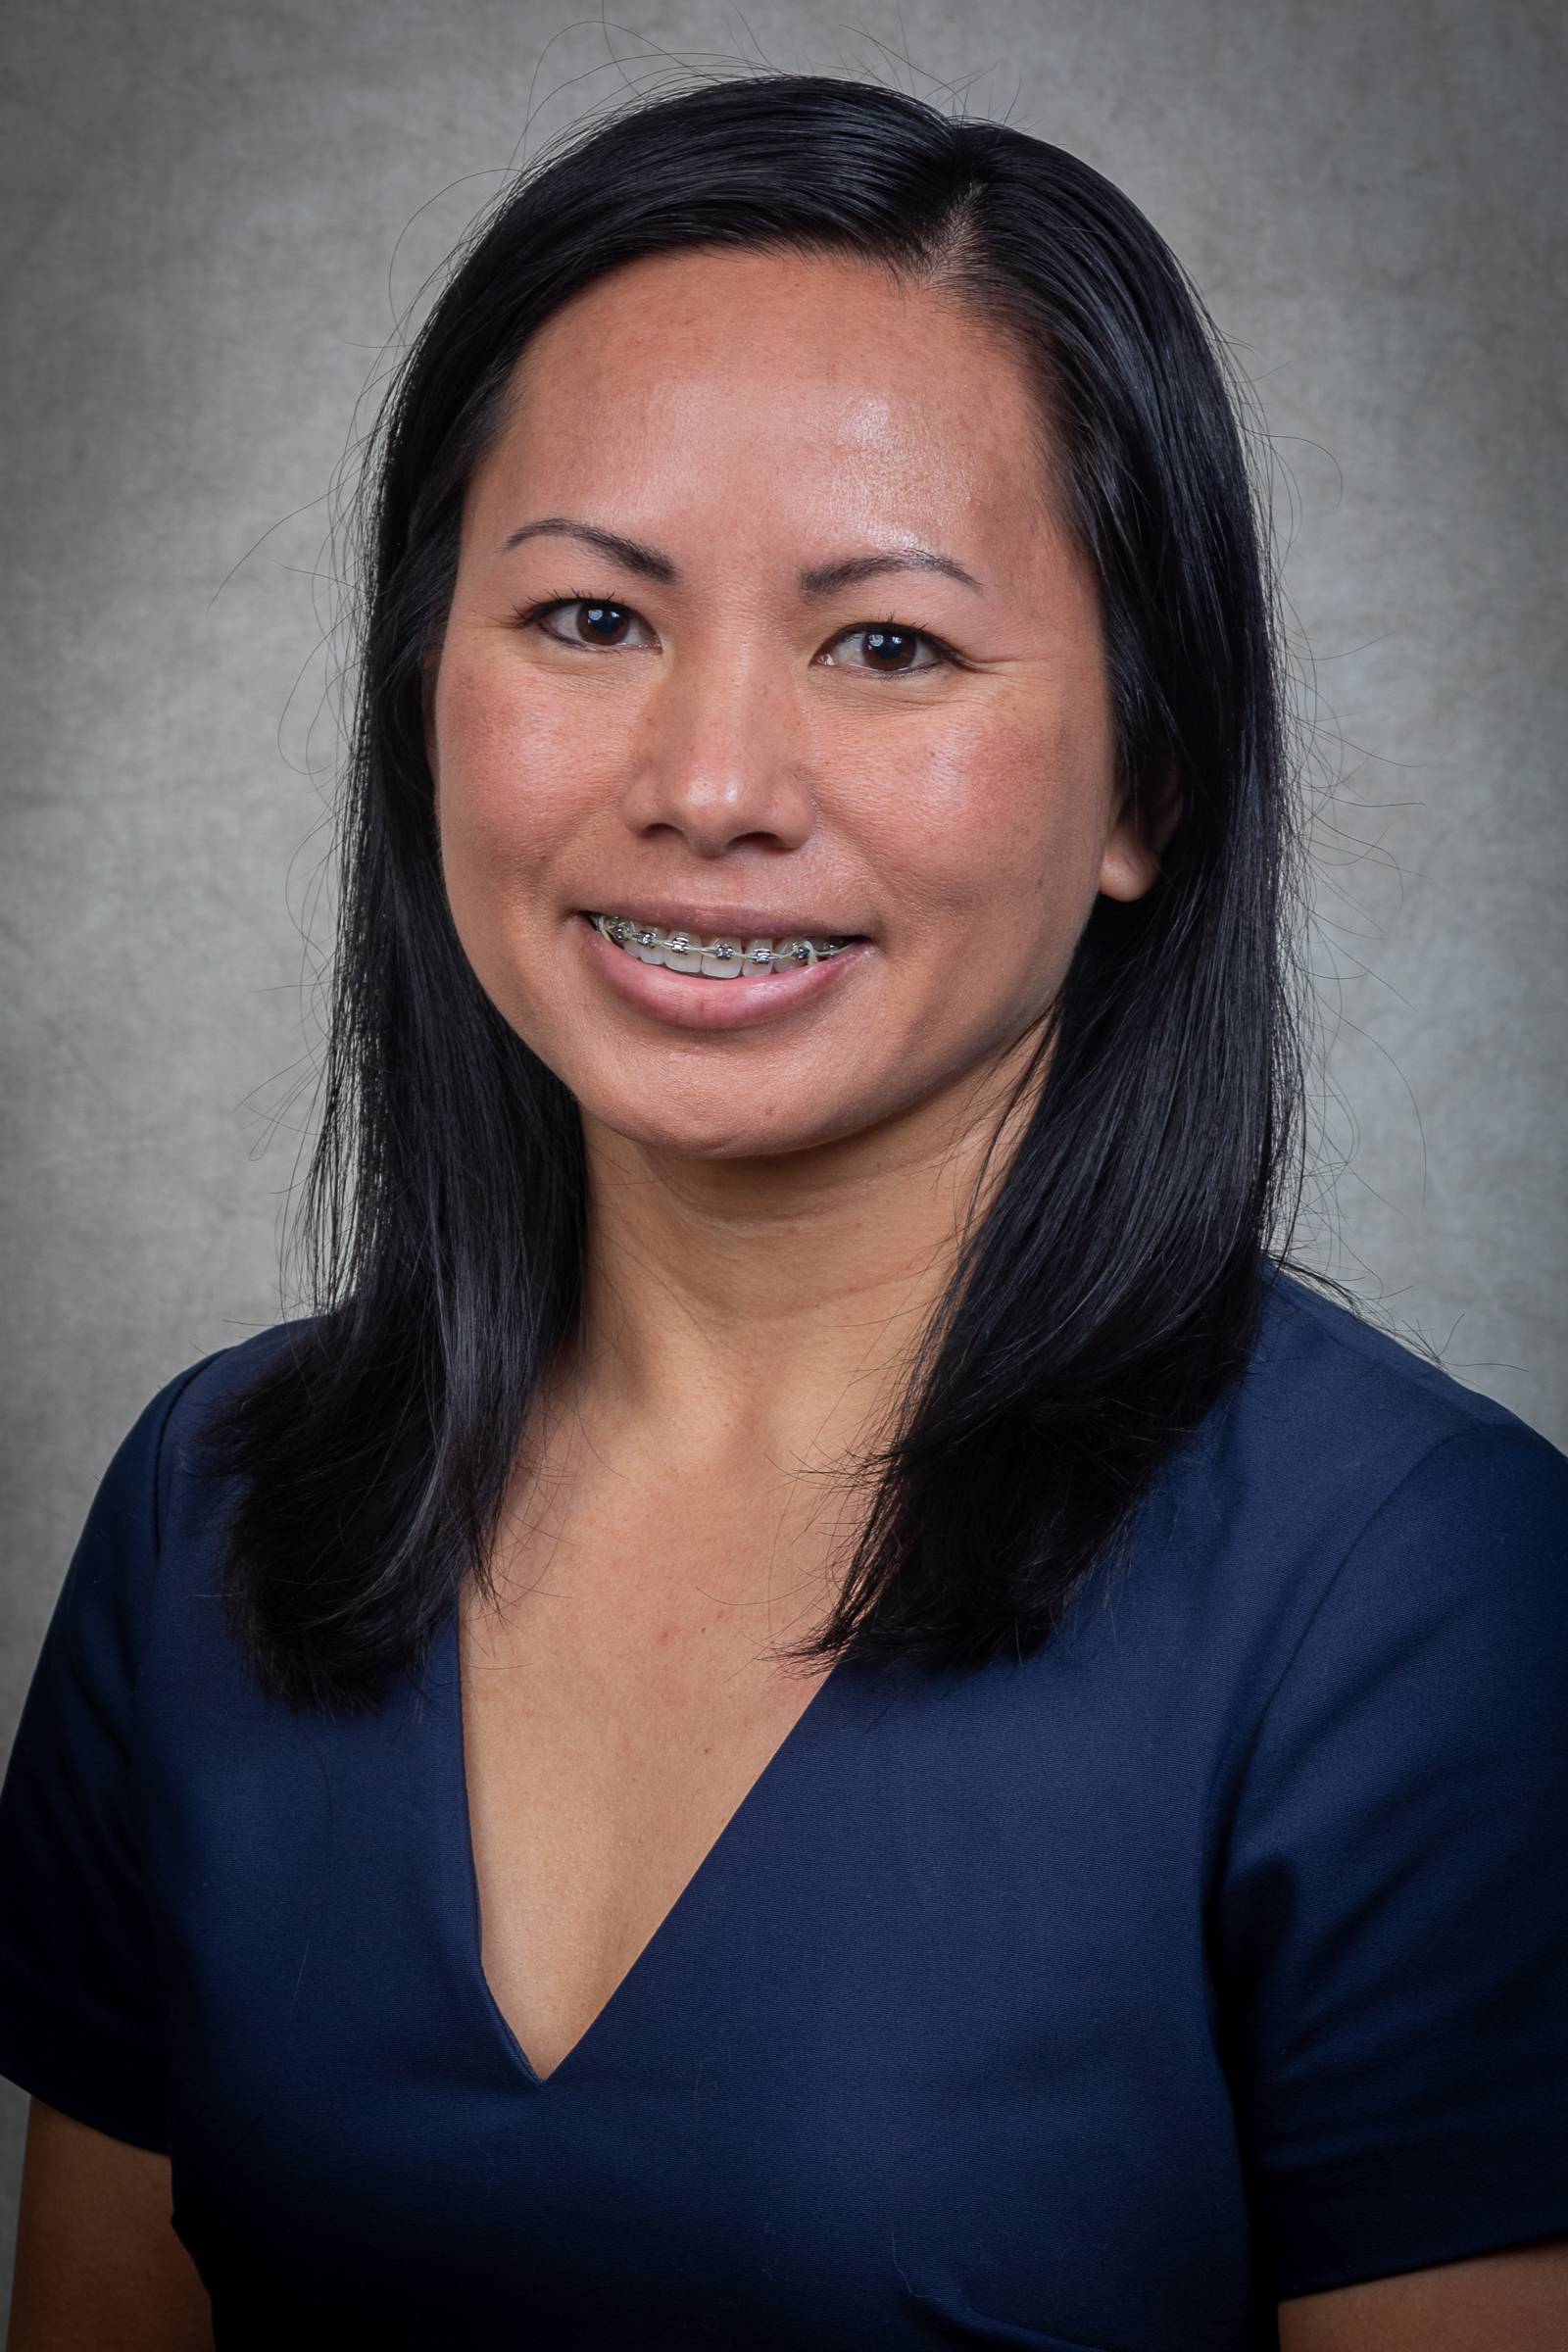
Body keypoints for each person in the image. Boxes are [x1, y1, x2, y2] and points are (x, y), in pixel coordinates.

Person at [1, 68, 1564, 2352]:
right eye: (587, 618)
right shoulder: (207, 1512)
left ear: (1147, 773)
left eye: (887, 646)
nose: (709, 785)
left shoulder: (1430, 1603)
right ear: (422, 692)